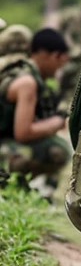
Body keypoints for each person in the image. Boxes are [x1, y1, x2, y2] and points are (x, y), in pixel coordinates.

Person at [0, 27, 70, 193]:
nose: (58, 69)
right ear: (47, 55)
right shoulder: (27, 82)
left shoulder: (15, 72)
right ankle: (12, 187)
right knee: (57, 149)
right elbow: (23, 133)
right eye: (58, 61)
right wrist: (57, 121)